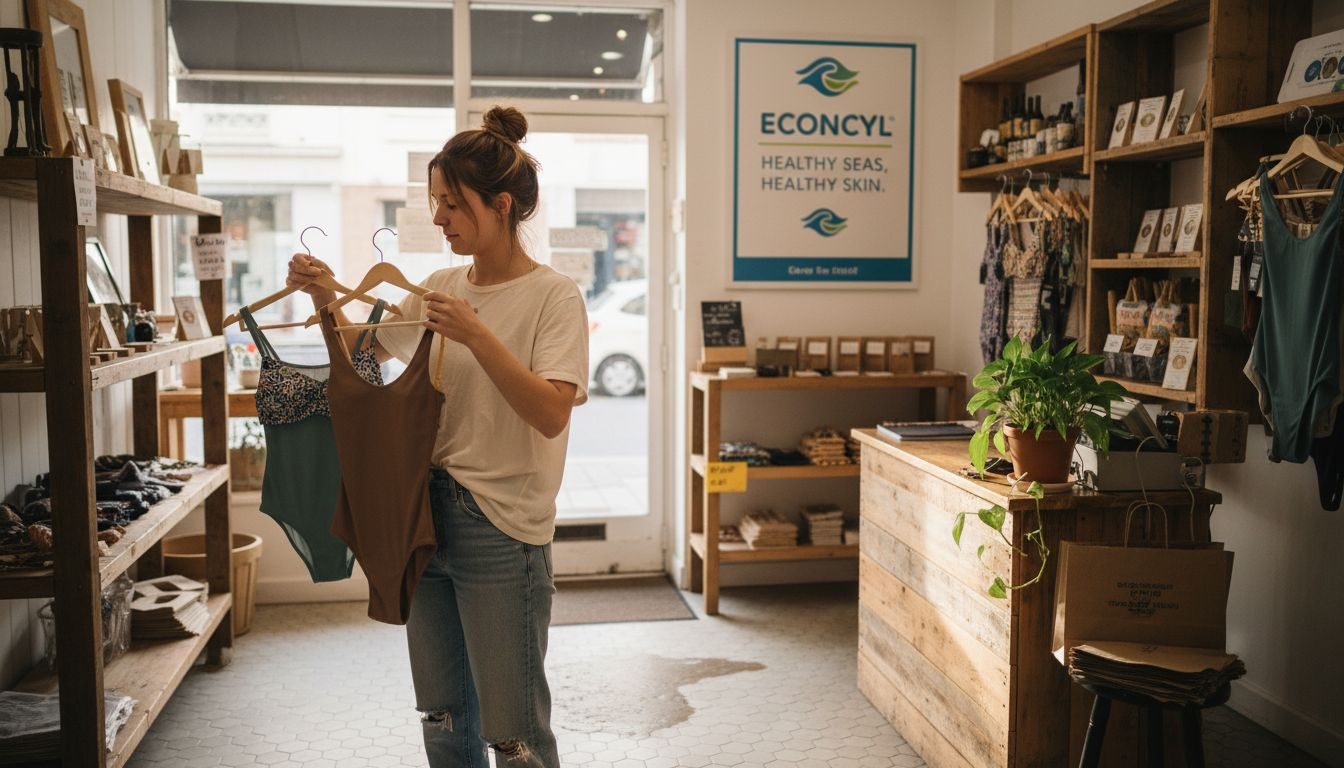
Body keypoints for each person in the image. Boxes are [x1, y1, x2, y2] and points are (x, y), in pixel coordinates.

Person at [286, 106, 588, 768]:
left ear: (501, 204)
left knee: (515, 735)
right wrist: (321, 295)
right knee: (444, 715)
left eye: (453, 204)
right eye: (436, 204)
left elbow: (551, 413)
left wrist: (477, 334)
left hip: (502, 528)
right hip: (423, 513)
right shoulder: (441, 287)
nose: (441, 218)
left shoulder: (554, 297)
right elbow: (368, 349)